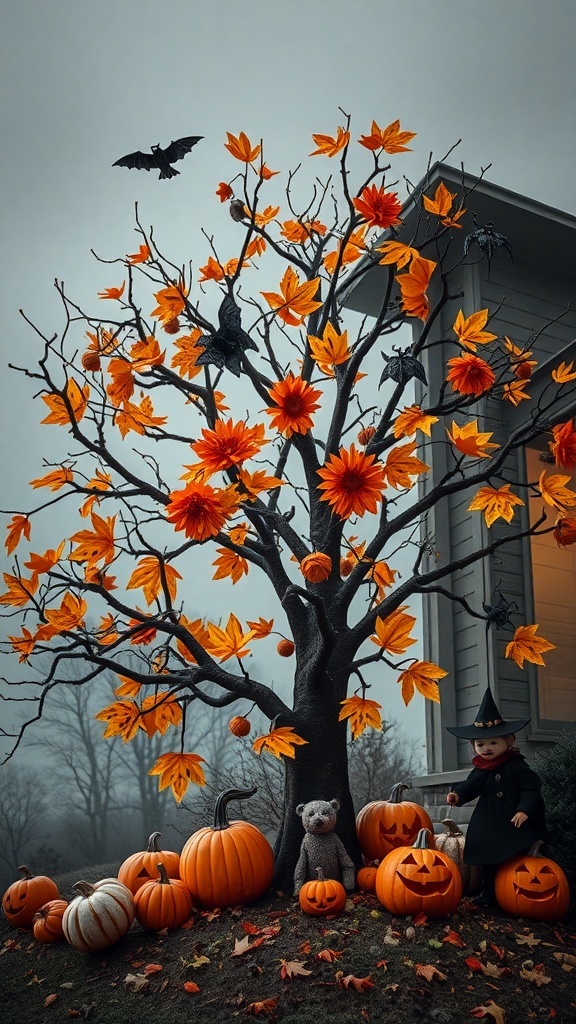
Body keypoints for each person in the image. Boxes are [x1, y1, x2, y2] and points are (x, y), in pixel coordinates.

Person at [445, 687, 549, 906]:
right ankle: (489, 896)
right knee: (488, 858)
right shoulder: (481, 768)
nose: (487, 748)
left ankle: (511, 895)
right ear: (474, 746)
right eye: (481, 744)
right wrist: (457, 794)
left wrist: (524, 810)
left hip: (512, 821)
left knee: (511, 860)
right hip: (489, 820)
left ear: (508, 742)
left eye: (493, 742)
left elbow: (531, 789)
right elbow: (472, 785)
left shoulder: (516, 766)